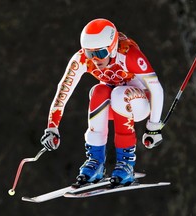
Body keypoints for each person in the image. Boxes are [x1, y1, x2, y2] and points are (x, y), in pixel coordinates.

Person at [40, 18, 164, 186]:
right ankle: (95, 162)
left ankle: (126, 163)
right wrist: (52, 127)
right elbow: (64, 90)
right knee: (98, 91)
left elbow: (156, 88)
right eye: (90, 54)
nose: (96, 60)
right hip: (114, 105)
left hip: (140, 104)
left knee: (119, 94)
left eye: (100, 53)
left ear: (112, 48)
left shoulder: (128, 54)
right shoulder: (82, 59)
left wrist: (153, 127)